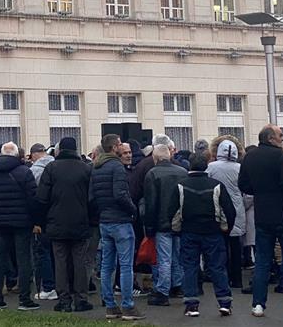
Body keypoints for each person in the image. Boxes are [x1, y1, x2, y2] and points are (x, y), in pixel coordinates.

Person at [238, 124, 283, 317]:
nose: (282, 138)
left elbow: (243, 184)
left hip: (262, 214)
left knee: (262, 260)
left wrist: (261, 192)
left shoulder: (250, 157)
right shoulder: (282, 157)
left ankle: (258, 304)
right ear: (271, 138)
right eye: (280, 135)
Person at [173, 153, 236, 317]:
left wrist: (176, 229)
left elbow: (171, 210)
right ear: (207, 165)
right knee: (217, 267)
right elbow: (229, 210)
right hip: (213, 232)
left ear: (189, 166)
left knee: (190, 267)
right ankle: (224, 302)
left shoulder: (181, 185)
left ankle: (191, 305)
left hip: (189, 231)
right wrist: (226, 229)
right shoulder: (216, 185)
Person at [36, 137, 94, 313]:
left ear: (59, 150)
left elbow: (42, 198)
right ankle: (81, 299)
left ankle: (64, 300)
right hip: (80, 221)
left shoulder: (51, 168)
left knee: (60, 262)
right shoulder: (86, 168)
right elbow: (92, 198)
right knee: (80, 262)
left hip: (56, 221)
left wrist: (40, 221)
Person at [0, 141, 39, 311]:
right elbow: (32, 199)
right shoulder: (24, 172)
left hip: (0, 221)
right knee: (24, 259)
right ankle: (24, 299)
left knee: (0, 258)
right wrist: (35, 219)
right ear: (16, 155)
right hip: (22, 222)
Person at [90, 134, 143, 320]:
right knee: (126, 265)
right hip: (121, 221)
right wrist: (133, 210)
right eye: (120, 144)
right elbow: (120, 194)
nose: (122, 147)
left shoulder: (96, 168)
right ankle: (128, 306)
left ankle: (110, 306)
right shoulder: (117, 167)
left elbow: (92, 197)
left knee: (106, 266)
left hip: (105, 221)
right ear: (114, 147)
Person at [143, 144, 187, 305]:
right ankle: (178, 286)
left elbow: (151, 203)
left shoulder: (152, 174)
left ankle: (162, 290)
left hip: (162, 223)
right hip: (180, 222)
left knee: (164, 258)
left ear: (155, 158)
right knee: (178, 256)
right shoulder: (183, 172)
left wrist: (149, 227)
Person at [206, 138, 246, 288]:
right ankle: (236, 279)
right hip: (237, 210)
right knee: (236, 247)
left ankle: (221, 278)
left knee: (219, 247)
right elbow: (247, 193)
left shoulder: (211, 167)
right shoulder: (240, 168)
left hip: (217, 209)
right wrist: (243, 206)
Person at [29, 143, 56, 301]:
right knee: (58, 253)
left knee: (43, 253)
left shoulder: (34, 171)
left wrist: (35, 221)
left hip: (42, 218)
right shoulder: (57, 167)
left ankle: (48, 286)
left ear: (33, 155)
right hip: (58, 216)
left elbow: (34, 198)